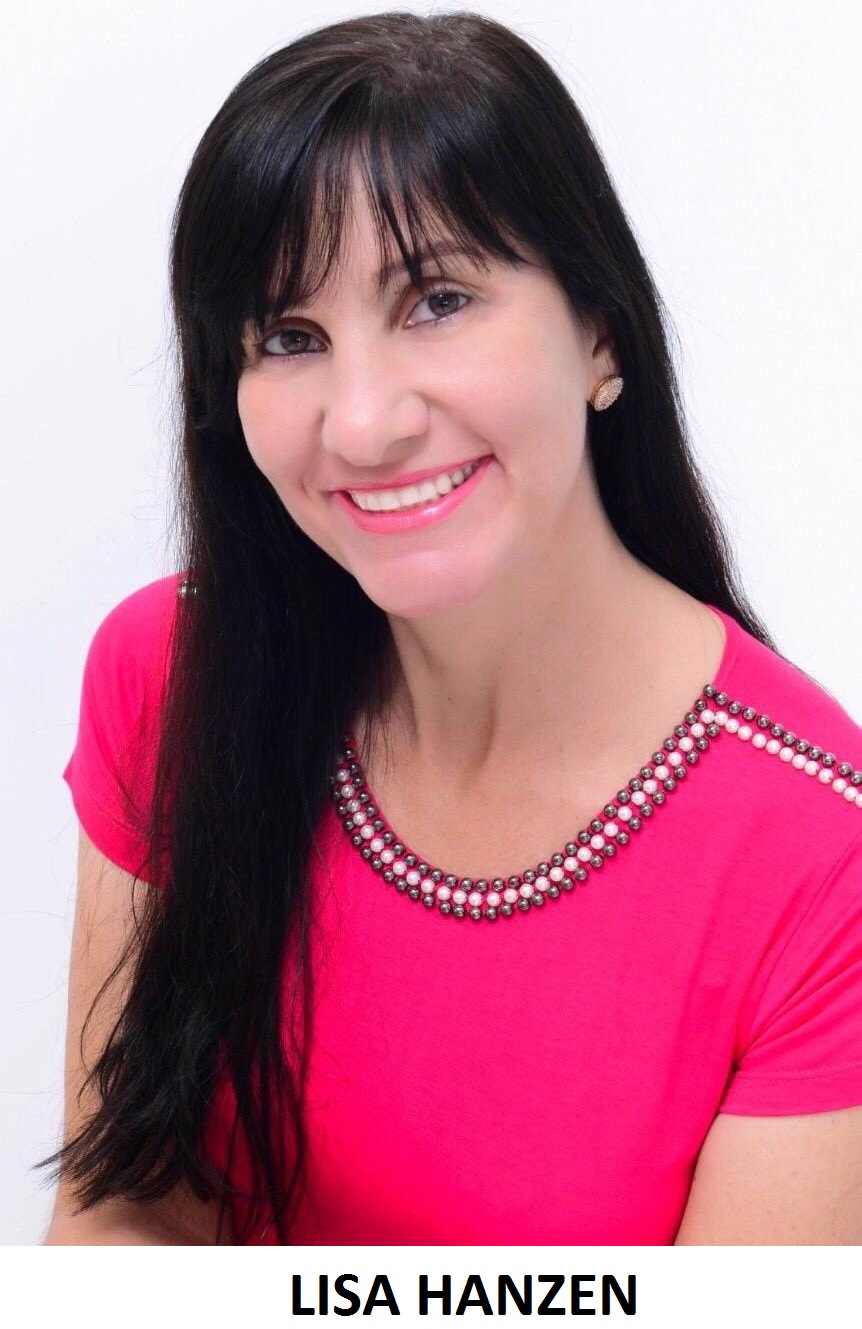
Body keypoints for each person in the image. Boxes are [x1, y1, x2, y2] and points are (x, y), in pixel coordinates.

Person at [40, 10, 861, 1246]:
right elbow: (121, 1212)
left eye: (436, 301)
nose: (363, 422)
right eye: (290, 337)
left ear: (599, 330)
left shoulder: (822, 865)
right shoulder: (173, 676)